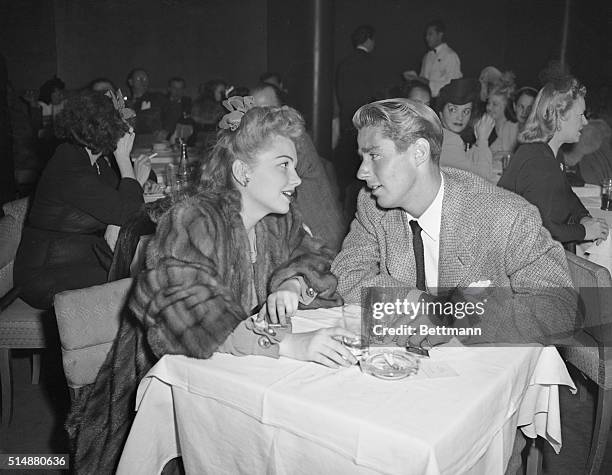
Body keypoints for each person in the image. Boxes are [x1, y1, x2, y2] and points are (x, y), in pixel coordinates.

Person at [67, 99, 354, 474]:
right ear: (243, 172)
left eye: (295, 167)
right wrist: (291, 344)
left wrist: (292, 283)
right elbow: (187, 314)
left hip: (244, 379)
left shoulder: (277, 221)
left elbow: (315, 259)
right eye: (284, 166)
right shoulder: (193, 221)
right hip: (165, 397)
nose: (297, 180)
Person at [332, 97, 578, 342]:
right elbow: (348, 272)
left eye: (374, 156)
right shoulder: (372, 204)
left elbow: (560, 308)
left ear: (419, 152)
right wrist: (417, 302)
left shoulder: (506, 215)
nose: (361, 172)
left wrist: (455, 319)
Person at [14, 91, 151, 310]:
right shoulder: (70, 167)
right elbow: (130, 213)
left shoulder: (91, 159)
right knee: (141, 284)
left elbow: (119, 201)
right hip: (49, 273)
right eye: (122, 126)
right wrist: (124, 159)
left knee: (144, 271)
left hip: (80, 256)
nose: (129, 131)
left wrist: (115, 218)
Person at [499, 77, 610, 245]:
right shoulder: (538, 161)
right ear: (559, 117)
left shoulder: (552, 153)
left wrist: (584, 217)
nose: (585, 122)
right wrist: (585, 231)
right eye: (580, 115)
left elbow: (566, 194)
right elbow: (542, 232)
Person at [251, 83, 346, 250]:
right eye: (254, 112)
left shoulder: (293, 138)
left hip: (322, 247)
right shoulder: (263, 140)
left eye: (268, 110)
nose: (262, 119)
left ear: (283, 110)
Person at [335, 24, 380, 197]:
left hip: (347, 124)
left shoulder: (344, 64)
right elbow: (376, 96)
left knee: (347, 176)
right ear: (368, 40)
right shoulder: (371, 64)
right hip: (367, 126)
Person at [437, 78, 496, 182]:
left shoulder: (441, 135)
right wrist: (482, 140)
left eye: (466, 111)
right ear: (441, 112)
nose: (460, 117)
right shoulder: (449, 141)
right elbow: (484, 183)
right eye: (453, 110)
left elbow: (466, 163)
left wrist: (478, 144)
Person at [404, 20, 462, 98]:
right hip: (427, 99)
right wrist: (415, 78)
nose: (427, 38)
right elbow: (422, 81)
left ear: (440, 35)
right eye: (426, 35)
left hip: (442, 100)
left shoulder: (450, 55)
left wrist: (428, 83)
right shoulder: (427, 56)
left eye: (430, 34)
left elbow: (453, 84)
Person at [125, 68, 168, 146]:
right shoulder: (125, 103)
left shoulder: (157, 98)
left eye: (145, 79)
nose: (143, 82)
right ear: (131, 82)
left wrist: (166, 130)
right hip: (130, 144)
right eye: (139, 79)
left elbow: (173, 109)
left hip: (152, 142)